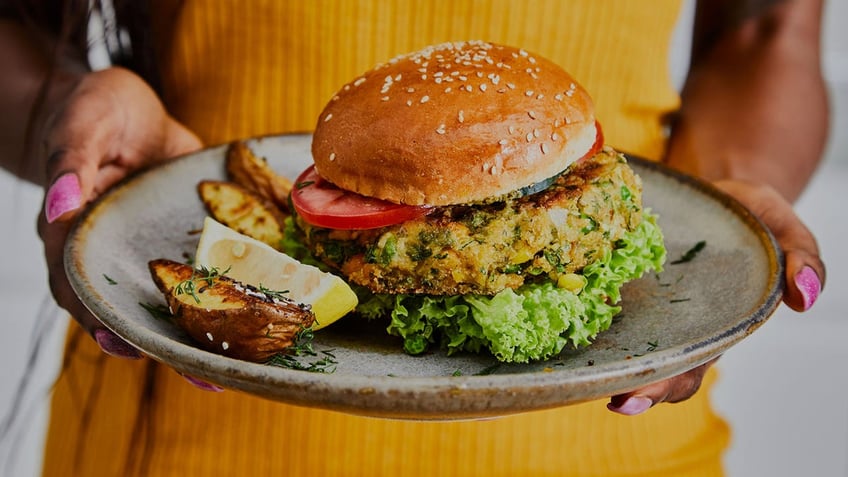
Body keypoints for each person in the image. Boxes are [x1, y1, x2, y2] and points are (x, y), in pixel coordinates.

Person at [0, 0, 827, 475]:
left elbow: (765, 32)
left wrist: (717, 206)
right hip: (190, 414)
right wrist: (52, 108)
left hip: (615, 437)